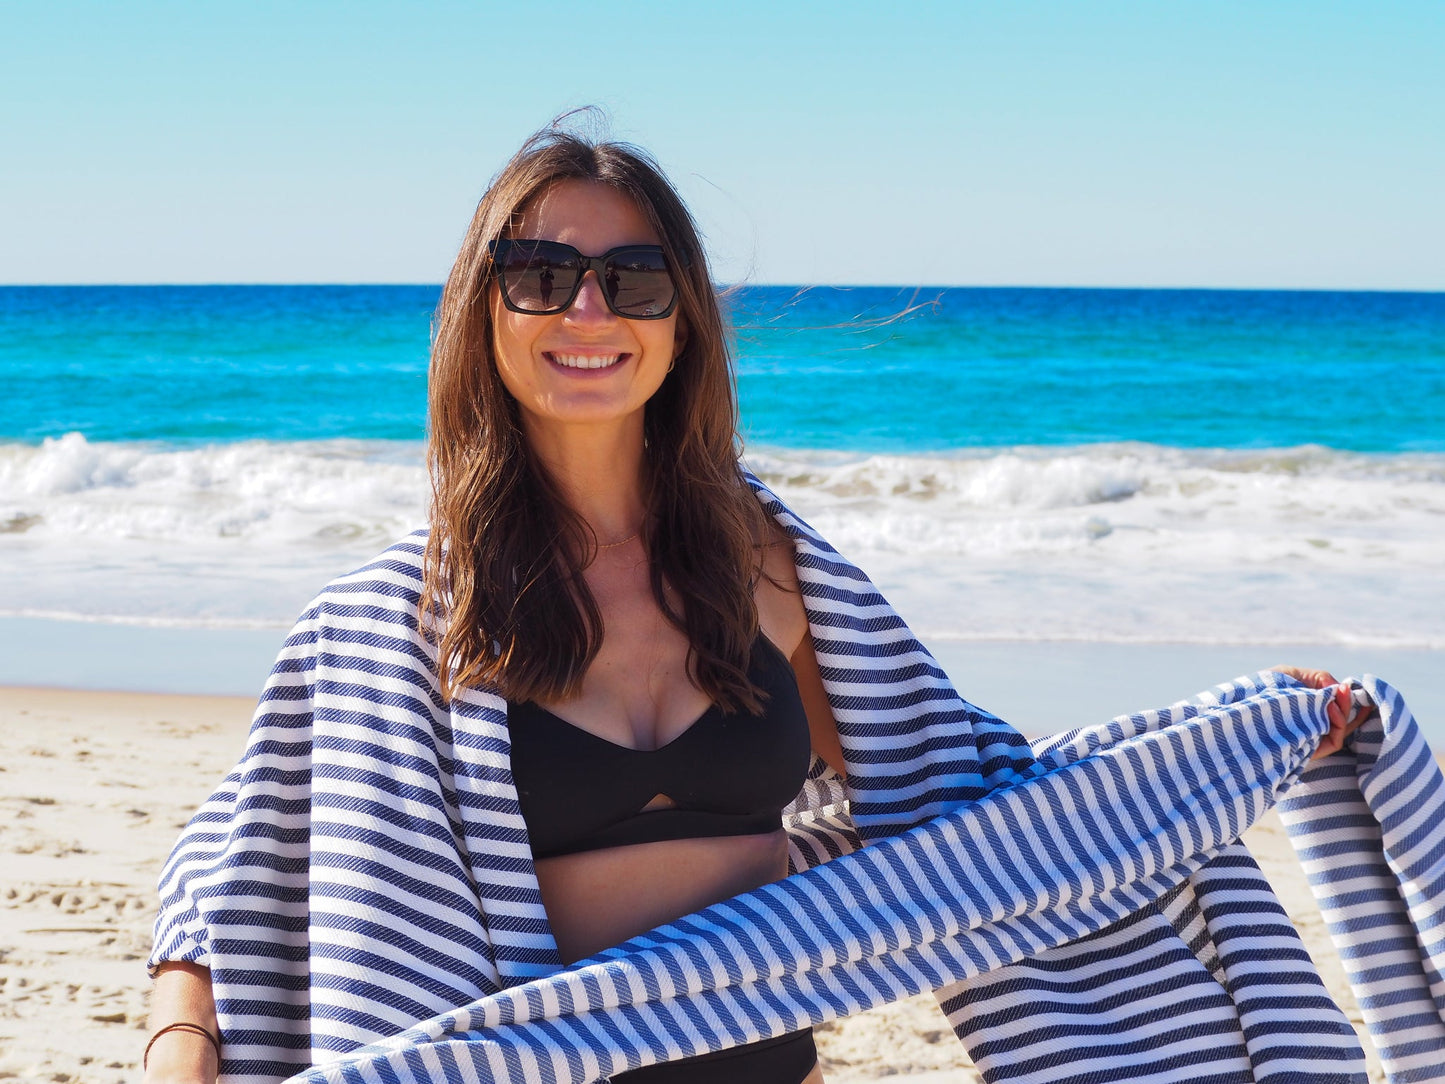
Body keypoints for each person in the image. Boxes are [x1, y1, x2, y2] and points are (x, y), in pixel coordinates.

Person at [144, 127, 1363, 1084]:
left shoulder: (765, 561)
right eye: (541, 275)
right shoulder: (394, 622)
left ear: (682, 324)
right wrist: (180, 1047)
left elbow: (962, 791)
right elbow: (242, 858)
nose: (587, 312)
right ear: (483, 308)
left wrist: (1238, 732)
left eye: (633, 280)